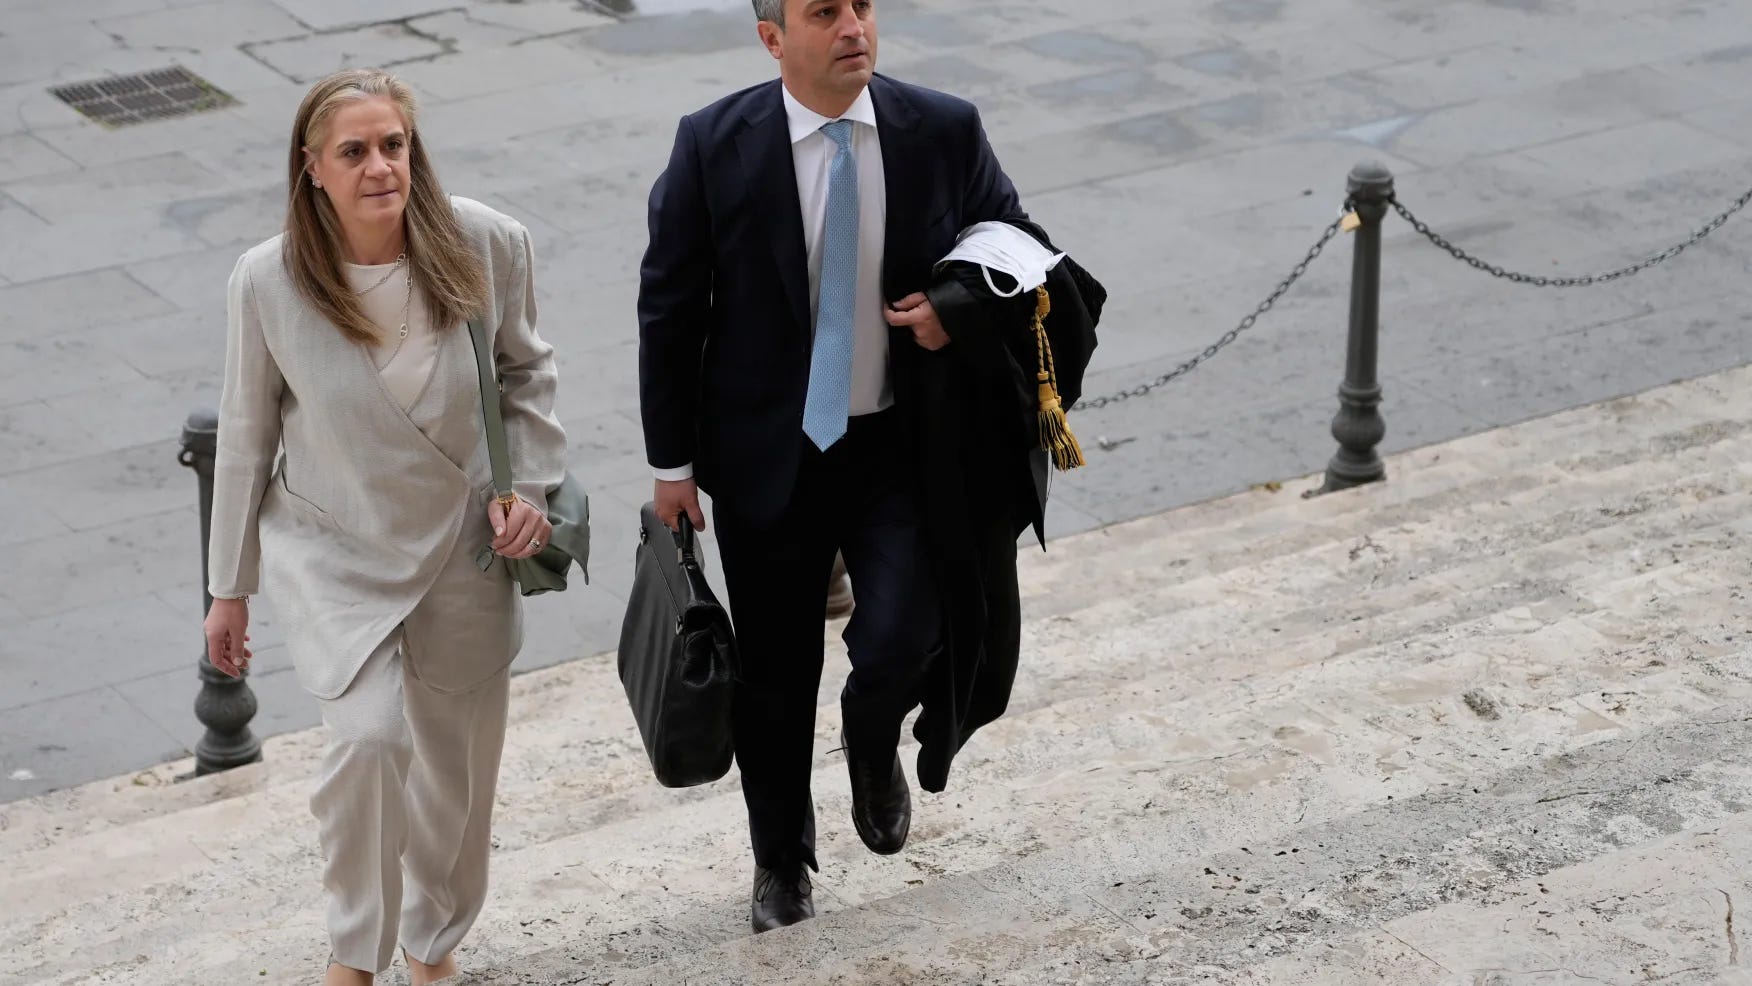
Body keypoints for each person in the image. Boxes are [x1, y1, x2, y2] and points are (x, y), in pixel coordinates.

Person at [637, 0, 1031, 932]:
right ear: (773, 38)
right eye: (824, 11)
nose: (854, 25)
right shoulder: (711, 144)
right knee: (774, 676)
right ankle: (781, 862)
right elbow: (670, 307)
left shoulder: (942, 127)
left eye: (862, 5)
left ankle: (870, 732)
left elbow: (1015, 241)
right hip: (769, 453)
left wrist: (955, 310)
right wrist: (671, 465)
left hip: (899, 444)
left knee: (905, 632)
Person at [201, 68, 566, 985]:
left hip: (464, 543)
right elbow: (244, 435)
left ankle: (432, 944)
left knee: (455, 769)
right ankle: (355, 953)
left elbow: (527, 374)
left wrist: (530, 486)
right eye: (355, 151)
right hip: (337, 548)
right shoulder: (267, 280)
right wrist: (228, 591)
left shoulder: (486, 243)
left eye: (394, 146)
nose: (380, 168)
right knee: (368, 740)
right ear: (313, 166)